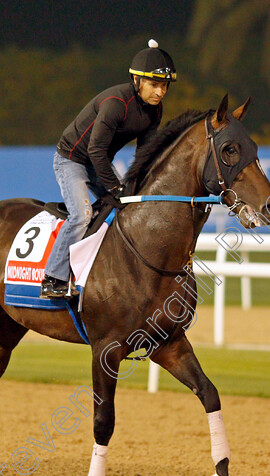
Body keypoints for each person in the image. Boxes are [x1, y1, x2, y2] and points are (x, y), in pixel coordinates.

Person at [40, 39, 177, 298]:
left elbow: (144, 156)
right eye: (154, 85)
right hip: (72, 159)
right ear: (137, 81)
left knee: (129, 207)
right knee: (81, 215)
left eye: (164, 86)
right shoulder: (116, 103)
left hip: (97, 162)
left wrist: (137, 188)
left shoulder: (155, 111)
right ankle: (52, 278)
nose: (160, 92)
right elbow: (95, 151)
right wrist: (115, 187)